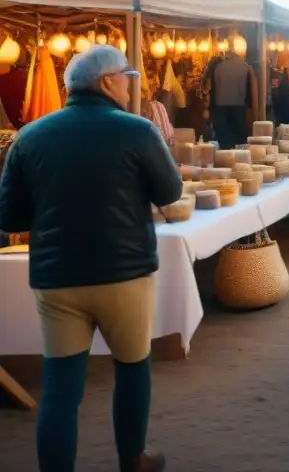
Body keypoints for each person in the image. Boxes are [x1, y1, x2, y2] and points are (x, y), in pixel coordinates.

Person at [0, 45, 181, 472]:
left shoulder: (30, 136)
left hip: (57, 278)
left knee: (61, 387)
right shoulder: (137, 131)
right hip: (125, 275)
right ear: (106, 82)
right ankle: (132, 459)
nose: (128, 83)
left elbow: (10, 217)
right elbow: (170, 193)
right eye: (125, 76)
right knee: (133, 370)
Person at [202, 47, 254, 152]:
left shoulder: (215, 63)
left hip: (219, 106)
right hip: (239, 105)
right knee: (238, 138)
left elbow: (206, 83)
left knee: (223, 138)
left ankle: (224, 157)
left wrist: (206, 105)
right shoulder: (245, 65)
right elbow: (251, 88)